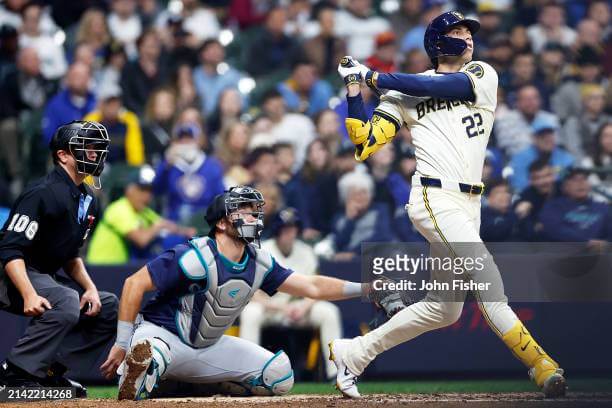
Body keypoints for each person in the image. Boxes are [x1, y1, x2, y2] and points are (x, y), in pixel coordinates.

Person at [331, 11, 567, 399]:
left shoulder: (480, 75)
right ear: (438, 42)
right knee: (488, 281)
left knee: (444, 309)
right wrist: (355, 88)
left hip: (470, 202)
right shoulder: (404, 91)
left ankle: (353, 353)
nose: (467, 38)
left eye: (468, 31)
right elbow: (366, 141)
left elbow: (448, 86)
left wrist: (373, 76)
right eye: (457, 31)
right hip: (433, 197)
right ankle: (542, 366)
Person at [99, 186, 403, 400]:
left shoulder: (260, 261)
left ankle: (183, 385)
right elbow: (133, 284)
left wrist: (366, 288)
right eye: (243, 212)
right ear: (221, 222)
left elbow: (310, 286)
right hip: (162, 337)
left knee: (281, 376)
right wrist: (122, 342)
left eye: (255, 212)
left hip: (207, 346)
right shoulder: (193, 254)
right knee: (146, 362)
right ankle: (148, 371)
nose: (253, 218)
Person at [0, 121, 117, 395]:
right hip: (7, 272)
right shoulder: (41, 192)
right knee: (65, 300)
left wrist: (90, 289)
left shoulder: (88, 198)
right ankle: (14, 372)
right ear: (63, 155)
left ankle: (45, 370)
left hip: (40, 274)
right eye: (87, 147)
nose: (94, 153)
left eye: (97, 148)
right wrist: (29, 294)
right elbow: (9, 249)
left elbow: (70, 254)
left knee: (109, 306)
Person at [239, 208, 342, 380]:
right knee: (251, 312)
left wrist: (303, 306)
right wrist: (279, 306)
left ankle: (336, 373)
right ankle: (248, 374)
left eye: (293, 228)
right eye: (285, 229)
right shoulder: (261, 250)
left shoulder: (306, 252)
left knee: (329, 311)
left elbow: (315, 287)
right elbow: (252, 292)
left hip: (298, 308)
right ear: (277, 230)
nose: (290, 232)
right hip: (270, 307)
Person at [87, 166, 195, 265]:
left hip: (118, 268)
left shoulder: (143, 211)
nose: (147, 196)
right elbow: (141, 240)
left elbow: (165, 224)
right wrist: (158, 226)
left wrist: (185, 232)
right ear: (129, 190)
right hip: (100, 268)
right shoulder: (118, 209)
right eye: (142, 190)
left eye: (149, 190)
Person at [538, 168, 611, 243]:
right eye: (574, 180)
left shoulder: (602, 208)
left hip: (600, 253)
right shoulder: (553, 207)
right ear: (564, 187)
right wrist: (586, 242)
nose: (581, 183)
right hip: (566, 252)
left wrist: (606, 244)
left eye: (584, 179)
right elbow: (554, 230)